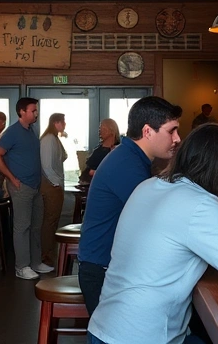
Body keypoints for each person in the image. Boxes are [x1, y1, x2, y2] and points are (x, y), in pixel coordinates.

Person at [87, 124, 218, 344]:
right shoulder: (202, 204)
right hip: (144, 336)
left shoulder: (149, 186)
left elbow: (167, 248)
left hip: (103, 329)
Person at [77, 96, 181, 314]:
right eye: (171, 131)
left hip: (108, 265)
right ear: (147, 132)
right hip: (102, 271)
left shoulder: (131, 157)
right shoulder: (127, 164)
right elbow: (157, 222)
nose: (177, 138)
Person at [0, 97, 54, 279]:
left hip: (35, 186)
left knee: (36, 225)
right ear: (22, 112)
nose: (36, 113)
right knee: (22, 226)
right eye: (33, 110)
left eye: (36, 110)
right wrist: (11, 178)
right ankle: (21, 267)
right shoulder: (13, 132)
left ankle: (35, 262)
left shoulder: (31, 130)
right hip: (21, 186)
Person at [39, 113, 67, 267]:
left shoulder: (55, 138)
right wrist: (56, 183)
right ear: (56, 122)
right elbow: (47, 165)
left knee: (53, 220)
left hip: (55, 184)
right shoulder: (48, 139)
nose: (65, 124)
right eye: (63, 121)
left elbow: (63, 156)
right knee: (49, 221)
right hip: (50, 185)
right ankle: (45, 254)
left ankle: (49, 252)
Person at [81, 119, 120, 183]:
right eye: (100, 128)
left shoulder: (118, 150)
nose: (100, 130)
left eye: (104, 128)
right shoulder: (98, 151)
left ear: (111, 130)